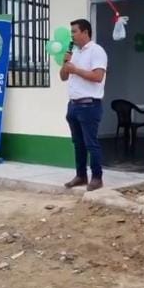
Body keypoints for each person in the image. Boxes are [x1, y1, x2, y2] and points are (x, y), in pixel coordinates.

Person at [60, 19, 108, 191]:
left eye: (74, 31)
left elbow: (97, 77)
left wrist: (76, 70)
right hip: (73, 106)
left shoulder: (96, 51)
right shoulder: (75, 52)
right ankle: (81, 176)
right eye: (71, 32)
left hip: (89, 105)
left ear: (85, 32)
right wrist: (65, 64)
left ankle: (97, 178)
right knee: (78, 144)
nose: (71, 35)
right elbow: (63, 77)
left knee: (91, 143)